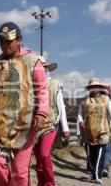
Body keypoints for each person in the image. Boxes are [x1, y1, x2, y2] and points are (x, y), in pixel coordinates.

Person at [0, 22, 49, 186]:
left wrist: (41, 113)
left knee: (19, 174)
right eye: (1, 41)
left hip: (24, 126)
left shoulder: (32, 61)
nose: (4, 45)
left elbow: (43, 90)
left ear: (19, 40)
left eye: (8, 41)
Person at [34, 56, 71, 186]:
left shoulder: (54, 84)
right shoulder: (32, 85)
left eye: (42, 68)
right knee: (38, 158)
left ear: (45, 69)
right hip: (35, 126)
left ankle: (49, 183)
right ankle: (41, 183)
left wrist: (65, 128)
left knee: (44, 155)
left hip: (51, 124)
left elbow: (60, 106)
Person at [78, 78, 111, 184]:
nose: (94, 89)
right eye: (92, 87)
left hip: (103, 131)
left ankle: (98, 175)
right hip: (89, 132)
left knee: (101, 153)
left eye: (96, 87)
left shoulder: (106, 99)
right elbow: (80, 113)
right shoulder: (85, 101)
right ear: (89, 89)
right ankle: (94, 172)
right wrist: (80, 120)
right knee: (91, 155)